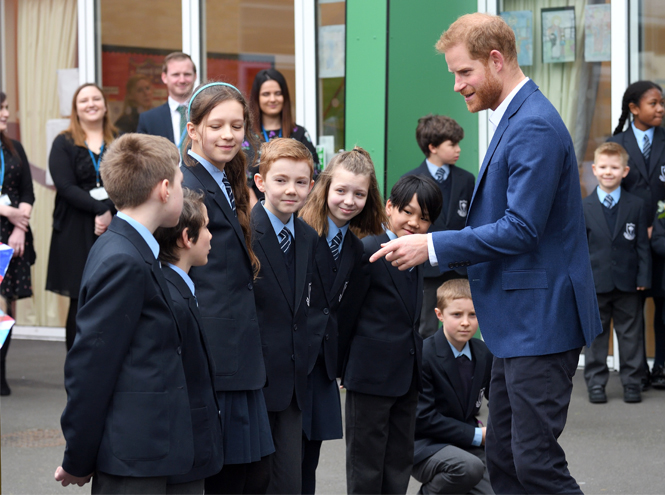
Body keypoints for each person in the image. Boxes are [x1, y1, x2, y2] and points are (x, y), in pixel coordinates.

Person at [370, 13, 602, 494]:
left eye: (463, 72)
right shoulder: (516, 116)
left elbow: (520, 229)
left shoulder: (533, 123)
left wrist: (430, 244)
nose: (456, 85)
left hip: (540, 322)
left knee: (535, 463)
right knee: (503, 457)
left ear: (495, 61)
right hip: (519, 323)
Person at [54, 133, 200, 493]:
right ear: (165, 189)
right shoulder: (124, 259)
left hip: (150, 451)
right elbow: (91, 367)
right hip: (134, 459)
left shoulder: (129, 247)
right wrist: (78, 456)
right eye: (181, 183)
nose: (182, 191)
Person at [182, 82, 273, 494]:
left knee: (251, 473)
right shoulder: (187, 185)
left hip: (238, 347)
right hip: (216, 348)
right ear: (193, 130)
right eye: (216, 125)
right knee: (227, 477)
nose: (228, 134)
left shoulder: (226, 178)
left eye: (236, 125)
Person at [342, 175, 442, 495]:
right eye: (408, 212)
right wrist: (344, 368)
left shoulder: (418, 256)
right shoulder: (369, 249)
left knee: (399, 461)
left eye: (424, 218)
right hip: (369, 374)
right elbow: (347, 314)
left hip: (406, 375)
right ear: (389, 207)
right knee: (366, 465)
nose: (414, 223)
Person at [298, 146, 386, 495]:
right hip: (292, 362)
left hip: (323, 368)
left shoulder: (356, 248)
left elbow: (345, 313)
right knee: (286, 461)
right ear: (324, 187)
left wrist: (340, 366)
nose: (349, 200)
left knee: (310, 461)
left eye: (359, 194)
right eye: (342, 190)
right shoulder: (301, 232)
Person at [250, 138, 317, 494]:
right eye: (281, 180)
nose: (291, 190)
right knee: (255, 481)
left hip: (293, 385)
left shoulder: (307, 236)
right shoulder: (244, 232)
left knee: (289, 482)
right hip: (254, 381)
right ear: (261, 182)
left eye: (301, 182)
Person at [154, 187, 224, 485]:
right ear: (186, 237)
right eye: (206, 227)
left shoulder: (179, 290)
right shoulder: (172, 299)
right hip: (182, 453)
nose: (211, 236)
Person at [46, 83, 116, 351]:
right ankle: (77, 368)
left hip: (112, 225)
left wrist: (109, 208)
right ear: (75, 108)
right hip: (75, 228)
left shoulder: (119, 140)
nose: (91, 104)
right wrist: (101, 209)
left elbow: (130, 182)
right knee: (79, 299)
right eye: (84, 100)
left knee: (110, 294)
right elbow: (65, 186)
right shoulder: (63, 142)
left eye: (96, 98)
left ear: (105, 105)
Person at [584, 142, 650, 404]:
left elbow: (642, 246)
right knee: (596, 338)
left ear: (625, 171)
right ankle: (596, 384)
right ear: (594, 170)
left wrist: (643, 278)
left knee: (631, 335)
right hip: (595, 283)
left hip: (628, 283)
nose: (608, 172)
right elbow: (579, 249)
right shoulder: (584, 207)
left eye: (614, 167)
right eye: (603, 167)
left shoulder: (636, 205)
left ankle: (633, 383)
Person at [412, 278, 493, 495]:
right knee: (467, 467)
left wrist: (500, 431)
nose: (465, 322)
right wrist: (479, 435)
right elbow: (423, 418)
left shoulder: (483, 352)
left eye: (473, 315)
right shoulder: (424, 355)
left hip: (464, 441)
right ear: (439, 315)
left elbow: (499, 399)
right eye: (457, 315)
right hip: (425, 444)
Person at [609, 81, 665, 390]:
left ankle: (662, 368)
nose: (660, 109)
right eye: (653, 103)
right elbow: (609, 192)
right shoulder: (616, 144)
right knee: (633, 308)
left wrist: (657, 226)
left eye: (661, 103)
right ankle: (637, 371)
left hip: (662, 239)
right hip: (630, 244)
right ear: (633, 109)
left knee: (663, 306)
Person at [403, 114, 475, 338]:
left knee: (462, 326)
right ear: (433, 147)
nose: (458, 149)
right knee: (425, 327)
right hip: (427, 270)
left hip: (459, 267)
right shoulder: (412, 180)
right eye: (452, 144)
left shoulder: (467, 179)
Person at [0, 91, 36, 397]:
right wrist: (7, 211)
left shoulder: (15, 147)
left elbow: (27, 190)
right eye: (0, 108)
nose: (4, 113)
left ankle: (1, 369)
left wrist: (19, 226)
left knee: (4, 304)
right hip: (4, 220)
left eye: (6, 107)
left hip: (12, 234)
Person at [245, 69, 319, 204]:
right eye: (266, 94)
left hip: (298, 212)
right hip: (255, 215)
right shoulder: (246, 137)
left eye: (277, 93)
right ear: (257, 98)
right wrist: (258, 216)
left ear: (284, 96)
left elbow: (315, 177)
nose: (272, 99)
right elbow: (241, 182)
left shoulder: (300, 134)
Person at [137, 52, 197, 152]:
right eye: (176, 75)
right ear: (164, 77)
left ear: (195, 76)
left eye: (187, 74)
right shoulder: (148, 120)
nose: (182, 80)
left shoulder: (206, 113)